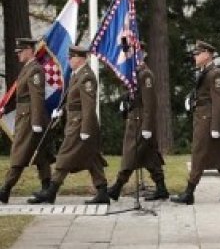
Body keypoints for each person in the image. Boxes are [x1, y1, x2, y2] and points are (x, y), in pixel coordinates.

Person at [29, 45, 109, 205]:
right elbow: (73, 101)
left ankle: (51, 192)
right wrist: (61, 112)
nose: (69, 60)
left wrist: (86, 128)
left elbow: (88, 105)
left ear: (80, 58)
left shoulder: (87, 77)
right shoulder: (76, 76)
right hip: (74, 121)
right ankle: (102, 192)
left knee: (65, 156)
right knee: (92, 158)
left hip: (80, 124)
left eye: (72, 57)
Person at [171, 41, 220, 205]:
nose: (195, 56)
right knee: (219, 157)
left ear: (207, 54)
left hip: (208, 120)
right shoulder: (206, 72)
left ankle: (189, 192)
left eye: (198, 53)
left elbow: (219, 101)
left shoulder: (215, 73)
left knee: (198, 154)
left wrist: (216, 126)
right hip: (203, 117)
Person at [107, 41, 169, 201]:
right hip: (135, 117)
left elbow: (150, 103)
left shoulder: (144, 74)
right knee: (149, 155)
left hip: (141, 120)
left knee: (131, 154)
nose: (128, 55)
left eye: (132, 52)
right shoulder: (134, 73)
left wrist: (147, 126)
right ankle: (161, 188)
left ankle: (117, 187)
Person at [0, 38, 54, 203]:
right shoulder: (27, 69)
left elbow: (37, 96)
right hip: (26, 116)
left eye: (21, 51)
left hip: (30, 117)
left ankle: (5, 189)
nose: (18, 54)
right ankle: (47, 190)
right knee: (41, 154)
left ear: (30, 50)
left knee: (19, 152)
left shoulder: (35, 70)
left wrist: (36, 121)